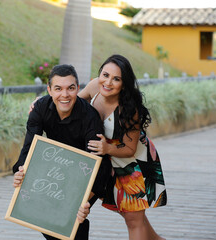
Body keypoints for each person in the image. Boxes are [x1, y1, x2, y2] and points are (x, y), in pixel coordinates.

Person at [12, 64, 112, 240]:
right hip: (55, 169)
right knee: (46, 220)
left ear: (77, 89)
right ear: (49, 90)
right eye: (58, 88)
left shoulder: (90, 117)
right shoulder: (40, 109)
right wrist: (21, 171)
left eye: (70, 88)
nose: (64, 95)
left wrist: (84, 201)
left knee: (72, 220)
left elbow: (96, 162)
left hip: (87, 174)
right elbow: (29, 147)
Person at [79, 54, 167, 240]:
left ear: (124, 84)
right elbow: (71, 104)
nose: (108, 82)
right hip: (107, 162)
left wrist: (107, 149)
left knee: (133, 219)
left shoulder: (129, 109)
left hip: (133, 163)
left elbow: (130, 149)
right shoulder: (95, 86)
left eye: (116, 79)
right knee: (131, 214)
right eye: (105, 75)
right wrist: (40, 104)